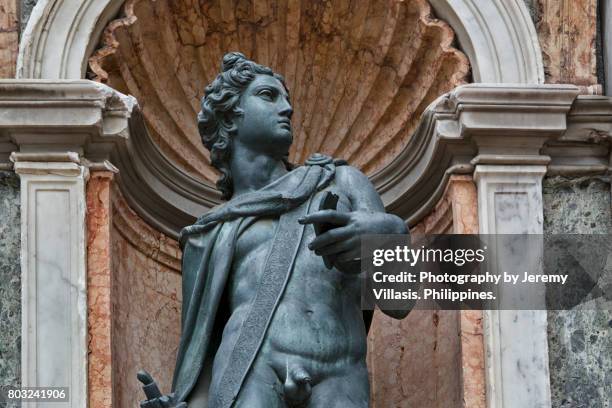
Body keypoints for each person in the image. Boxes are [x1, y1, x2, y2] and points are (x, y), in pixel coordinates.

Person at [140, 52, 408, 408]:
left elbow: (401, 303)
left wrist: (389, 232)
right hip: (249, 369)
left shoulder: (340, 181)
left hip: (340, 371)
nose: (287, 109)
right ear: (229, 117)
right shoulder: (209, 232)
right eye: (269, 96)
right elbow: (202, 349)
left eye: (287, 100)